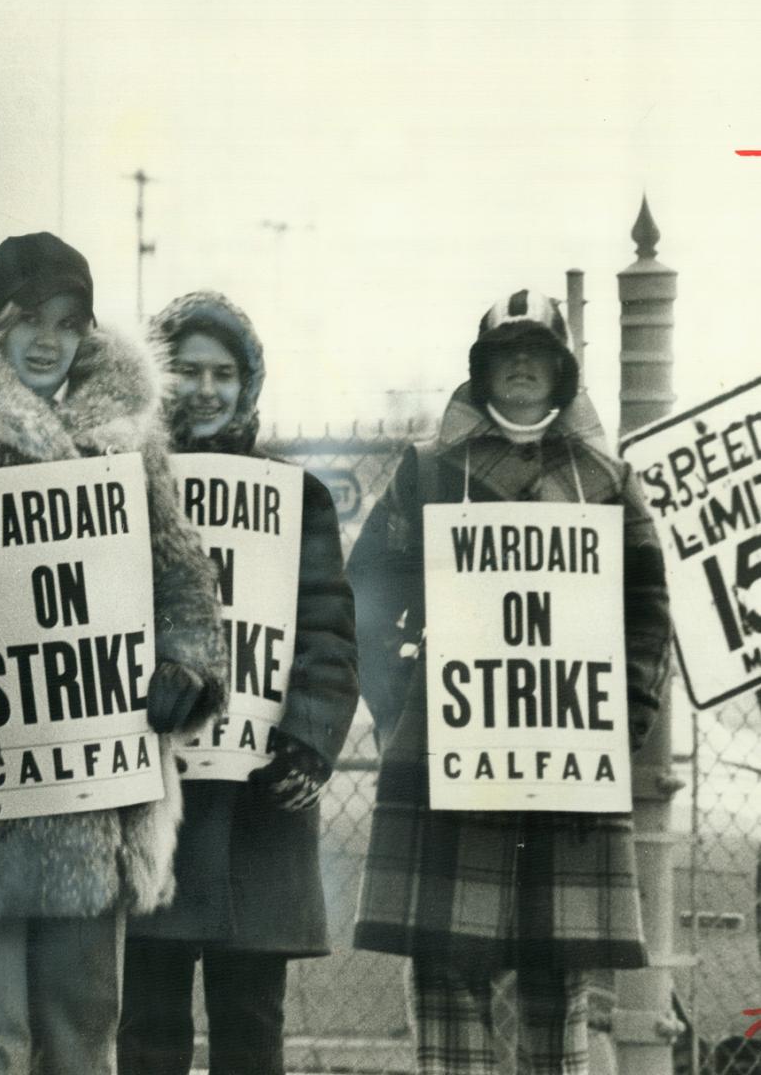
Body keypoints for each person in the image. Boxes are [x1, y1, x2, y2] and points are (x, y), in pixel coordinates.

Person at [0, 232, 230, 1075]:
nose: (47, 340)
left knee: (84, 1030)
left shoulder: (129, 442)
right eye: (26, 321)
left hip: (94, 791)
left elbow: (183, 580)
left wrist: (188, 670)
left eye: (67, 321)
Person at [346, 290, 673, 1074]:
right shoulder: (426, 472)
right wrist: (405, 712)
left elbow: (645, 610)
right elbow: (367, 593)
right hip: (449, 760)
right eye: (505, 351)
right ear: (481, 368)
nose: (521, 364)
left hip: (565, 768)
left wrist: (616, 717)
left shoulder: (605, 481)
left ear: (562, 371)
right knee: (445, 984)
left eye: (538, 352)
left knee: (556, 995)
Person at [117, 291, 359, 1075]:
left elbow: (326, 633)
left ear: (248, 385)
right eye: (184, 370)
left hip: (260, 798)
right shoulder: (123, 485)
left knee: (250, 1020)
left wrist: (311, 739)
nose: (206, 390)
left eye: (224, 373)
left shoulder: (296, 498)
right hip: (156, 788)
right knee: (146, 1020)